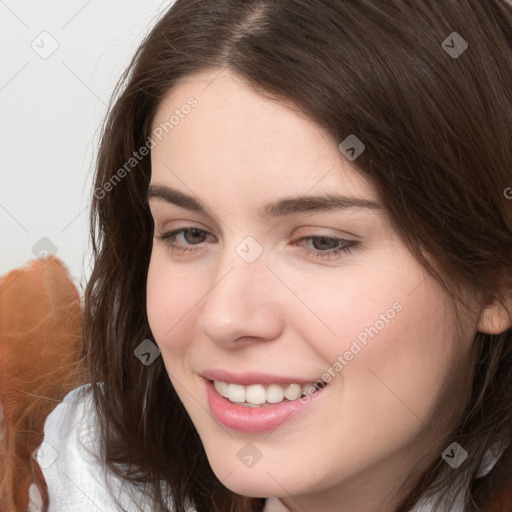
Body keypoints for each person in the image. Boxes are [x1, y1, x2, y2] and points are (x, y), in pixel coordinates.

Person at [38, 0, 512, 511]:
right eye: (190, 235)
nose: (224, 318)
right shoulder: (71, 479)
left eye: (322, 241)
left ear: (493, 281)